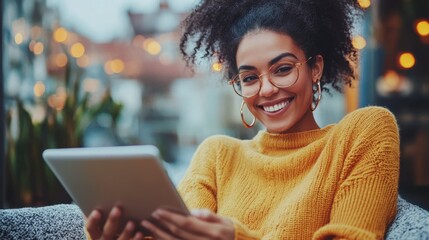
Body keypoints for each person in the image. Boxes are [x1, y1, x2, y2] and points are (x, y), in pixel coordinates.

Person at [86, 0, 400, 239]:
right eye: (249, 77)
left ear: (315, 67)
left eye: (282, 69)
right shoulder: (217, 155)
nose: (266, 89)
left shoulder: (364, 132)